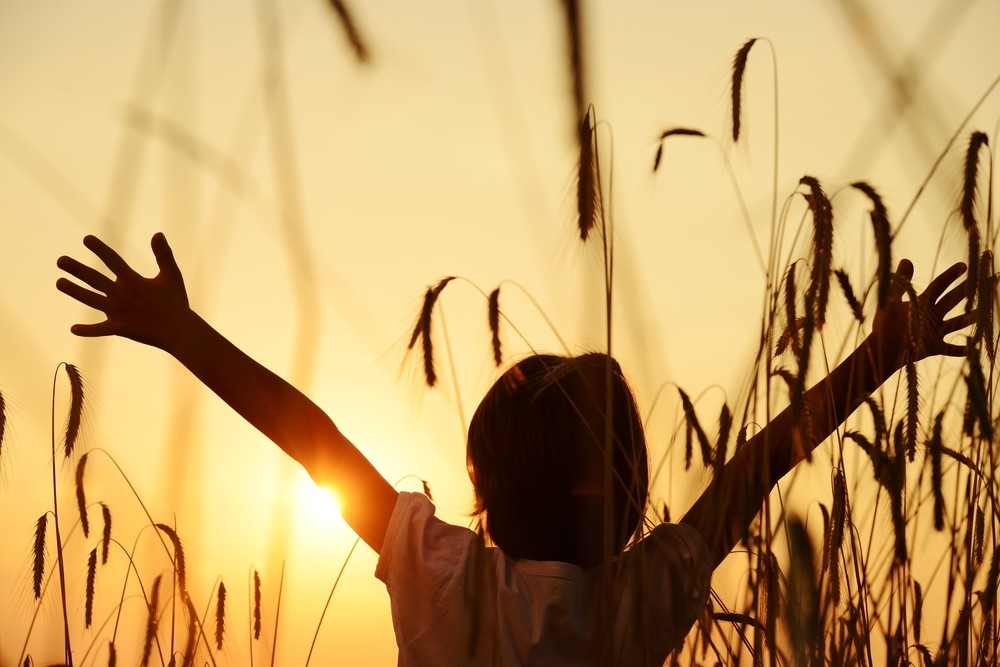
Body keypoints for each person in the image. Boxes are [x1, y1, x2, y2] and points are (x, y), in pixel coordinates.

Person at [56, 233, 974, 665]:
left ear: (481, 481)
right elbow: (759, 463)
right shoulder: (638, 602)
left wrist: (185, 333)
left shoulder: (447, 577)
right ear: (630, 486)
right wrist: (882, 353)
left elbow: (311, 438)